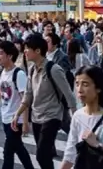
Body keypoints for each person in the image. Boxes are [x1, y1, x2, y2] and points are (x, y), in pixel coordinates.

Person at [12, 33, 76, 169]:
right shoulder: (31, 70)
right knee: (45, 156)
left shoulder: (54, 69)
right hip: (36, 117)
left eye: (27, 48)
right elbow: (28, 95)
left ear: (38, 51)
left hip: (52, 116)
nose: (25, 51)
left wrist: (76, 117)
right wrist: (17, 114)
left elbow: (69, 94)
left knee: (41, 155)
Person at [0, 40, 34, 169]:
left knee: (8, 151)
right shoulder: (1, 73)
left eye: (0, 53)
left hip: (16, 119)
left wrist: (25, 123)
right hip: (5, 117)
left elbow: (25, 99)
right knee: (18, 148)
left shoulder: (19, 74)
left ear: (10, 56)